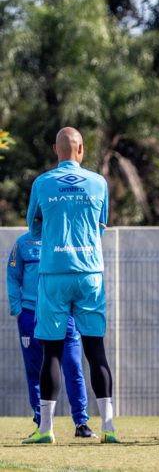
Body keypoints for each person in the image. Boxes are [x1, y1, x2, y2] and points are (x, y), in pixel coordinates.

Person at [23, 127, 118, 444]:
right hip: (90, 273)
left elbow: (33, 226)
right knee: (95, 350)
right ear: (81, 150)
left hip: (53, 273)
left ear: (56, 150)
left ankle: (46, 429)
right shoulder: (98, 182)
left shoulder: (42, 183)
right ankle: (109, 428)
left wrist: (53, 240)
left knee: (51, 351)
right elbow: (101, 224)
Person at [7, 231, 96, 439]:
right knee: (35, 370)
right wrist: (17, 310)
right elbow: (12, 277)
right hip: (31, 314)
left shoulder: (65, 239)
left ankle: (81, 422)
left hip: (63, 313)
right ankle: (42, 422)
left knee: (74, 367)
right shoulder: (22, 244)